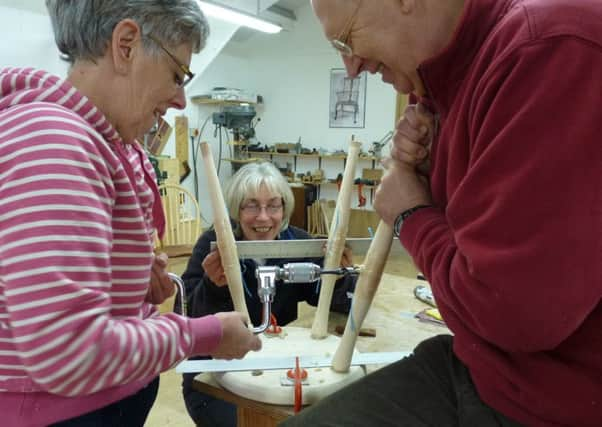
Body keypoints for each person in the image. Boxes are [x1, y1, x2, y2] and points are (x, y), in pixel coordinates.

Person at [282, 0, 602, 426]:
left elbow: (510, 313)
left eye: (346, 39)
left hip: (553, 400)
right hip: (492, 368)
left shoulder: (546, 50)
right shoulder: (439, 78)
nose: (352, 66)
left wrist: (410, 213)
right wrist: (431, 171)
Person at [0, 1, 262, 426]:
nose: (180, 99)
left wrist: (125, 279)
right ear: (126, 45)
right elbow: (67, 350)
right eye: (178, 75)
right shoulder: (54, 144)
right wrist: (204, 333)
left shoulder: (108, 141)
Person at [181, 161, 356, 427]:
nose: (263, 218)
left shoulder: (296, 243)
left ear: (284, 208)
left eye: (273, 206)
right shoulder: (212, 244)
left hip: (276, 372)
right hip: (215, 377)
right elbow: (183, 317)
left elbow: (336, 301)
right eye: (251, 205)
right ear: (235, 209)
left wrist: (339, 276)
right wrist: (211, 287)